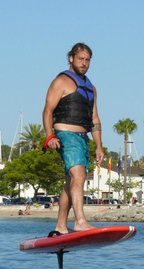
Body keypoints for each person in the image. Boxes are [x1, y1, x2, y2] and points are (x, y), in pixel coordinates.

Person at [42, 43, 104, 234]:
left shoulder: (91, 88)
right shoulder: (61, 81)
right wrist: (49, 136)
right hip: (66, 135)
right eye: (80, 59)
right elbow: (47, 110)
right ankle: (80, 221)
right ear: (71, 59)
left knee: (71, 181)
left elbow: (94, 118)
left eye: (87, 60)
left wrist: (99, 146)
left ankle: (61, 226)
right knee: (79, 175)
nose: (84, 63)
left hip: (83, 138)